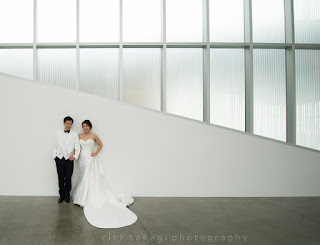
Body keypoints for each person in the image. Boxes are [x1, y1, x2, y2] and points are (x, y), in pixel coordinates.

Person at [71, 120, 137, 228]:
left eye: (86, 126)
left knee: (87, 176)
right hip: (81, 159)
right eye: (83, 126)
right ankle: (80, 196)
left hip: (90, 158)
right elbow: (76, 147)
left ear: (90, 127)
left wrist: (96, 152)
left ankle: (83, 198)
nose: (85, 128)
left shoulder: (94, 135)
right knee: (82, 176)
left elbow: (101, 144)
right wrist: (74, 153)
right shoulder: (79, 135)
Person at [52, 116, 80, 204]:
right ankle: (61, 195)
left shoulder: (75, 134)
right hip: (59, 158)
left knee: (68, 178)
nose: (69, 125)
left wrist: (74, 156)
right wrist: (55, 157)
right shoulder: (58, 133)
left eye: (70, 124)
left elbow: (77, 147)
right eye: (67, 123)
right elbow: (54, 146)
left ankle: (67, 195)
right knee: (60, 177)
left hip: (69, 159)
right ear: (64, 123)